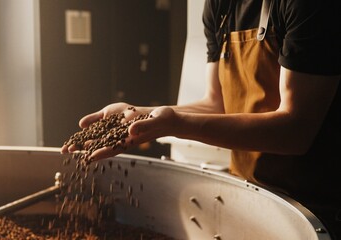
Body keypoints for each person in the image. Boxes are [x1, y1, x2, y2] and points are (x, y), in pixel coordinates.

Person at [62, 0, 341, 238]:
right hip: (249, 192)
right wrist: (140, 115)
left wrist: (175, 124)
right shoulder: (220, 6)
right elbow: (216, 104)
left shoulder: (309, 5)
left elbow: (295, 131)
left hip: (313, 208)